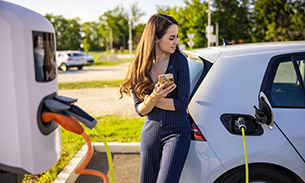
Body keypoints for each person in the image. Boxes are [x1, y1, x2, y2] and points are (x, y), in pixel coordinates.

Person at [120, 14, 191, 183]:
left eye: (177, 37)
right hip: (151, 132)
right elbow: (141, 110)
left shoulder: (179, 61)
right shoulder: (138, 66)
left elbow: (181, 104)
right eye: (172, 38)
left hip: (178, 132)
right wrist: (154, 96)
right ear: (156, 39)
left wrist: (152, 100)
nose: (177, 42)